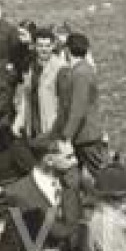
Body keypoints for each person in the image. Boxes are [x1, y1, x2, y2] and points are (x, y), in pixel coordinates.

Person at [50, 32, 107, 177]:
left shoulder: (80, 73)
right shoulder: (82, 70)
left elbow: (78, 109)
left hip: (86, 137)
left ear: (67, 50)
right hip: (84, 135)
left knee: (98, 176)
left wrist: (66, 136)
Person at [15, 26, 64, 139]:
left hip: (52, 128)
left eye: (47, 46)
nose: (44, 49)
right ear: (35, 46)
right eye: (40, 46)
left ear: (53, 46)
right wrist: (18, 122)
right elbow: (26, 97)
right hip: (32, 126)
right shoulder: (32, 66)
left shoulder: (60, 68)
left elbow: (66, 102)